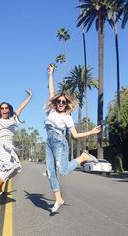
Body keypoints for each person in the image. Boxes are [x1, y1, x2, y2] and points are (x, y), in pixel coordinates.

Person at [44, 64, 101, 213]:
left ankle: (82, 157)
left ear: (67, 104)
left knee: (62, 171)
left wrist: (91, 132)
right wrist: (51, 75)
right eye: (59, 101)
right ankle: (58, 199)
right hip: (48, 142)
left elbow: (75, 135)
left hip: (59, 142)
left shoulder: (67, 117)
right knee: (50, 172)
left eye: (63, 102)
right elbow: (51, 90)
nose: (61, 103)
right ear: (55, 102)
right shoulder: (51, 110)